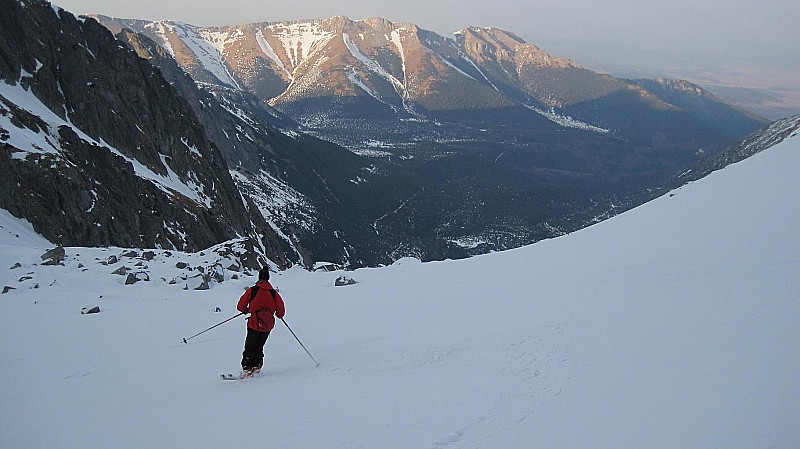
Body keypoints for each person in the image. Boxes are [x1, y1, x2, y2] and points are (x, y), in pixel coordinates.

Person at [237, 267, 285, 377]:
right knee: (259, 346)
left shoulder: (253, 291)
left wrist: (247, 310)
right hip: (267, 325)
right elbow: (281, 312)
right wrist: (277, 314)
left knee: (250, 346)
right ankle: (256, 366)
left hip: (254, 323)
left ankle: (247, 369)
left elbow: (240, 306)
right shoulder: (273, 294)